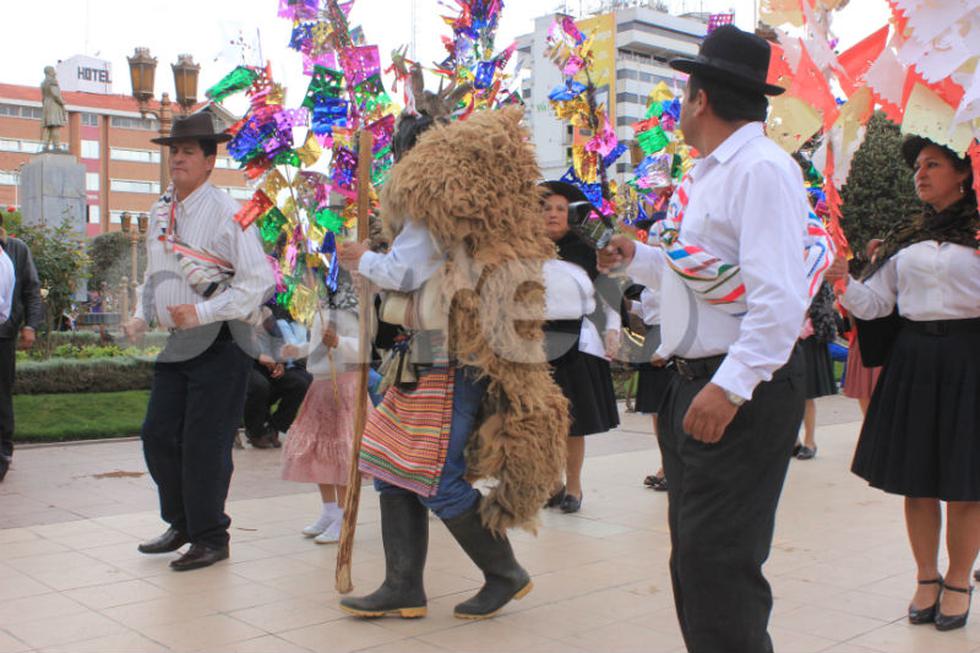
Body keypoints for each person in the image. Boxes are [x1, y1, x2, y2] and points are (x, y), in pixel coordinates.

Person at [599, 26, 814, 652]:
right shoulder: (713, 175)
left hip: (737, 390)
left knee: (720, 567)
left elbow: (779, 301)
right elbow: (707, 276)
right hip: (693, 385)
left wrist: (731, 387)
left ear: (700, 99)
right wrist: (639, 256)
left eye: (682, 90)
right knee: (695, 564)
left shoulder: (762, 171)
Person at [335, 103, 569, 621]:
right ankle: (403, 585)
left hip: (446, 361)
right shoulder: (463, 203)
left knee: (437, 479)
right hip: (423, 359)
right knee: (391, 471)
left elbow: (403, 270)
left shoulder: (432, 202)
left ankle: (504, 572)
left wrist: (361, 259)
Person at [825, 135, 979, 632]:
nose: (921, 174)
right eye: (918, 166)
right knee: (918, 480)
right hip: (914, 360)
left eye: (933, 164)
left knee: (965, 483)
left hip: (970, 359)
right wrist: (845, 282)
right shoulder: (903, 238)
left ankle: (958, 579)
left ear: (963, 174)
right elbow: (877, 305)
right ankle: (925, 577)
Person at [123, 112, 274, 572]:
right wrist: (139, 312)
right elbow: (153, 272)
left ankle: (211, 536)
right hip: (177, 342)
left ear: (210, 160)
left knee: (206, 443)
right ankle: (183, 522)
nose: (178, 158)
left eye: (189, 151)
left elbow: (259, 281)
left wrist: (204, 311)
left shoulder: (229, 212)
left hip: (223, 340)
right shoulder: (160, 209)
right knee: (158, 434)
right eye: (174, 150)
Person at [539, 181, 620, 514]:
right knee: (543, 423)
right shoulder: (520, 249)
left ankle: (573, 487)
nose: (553, 214)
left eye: (560, 208)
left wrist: (613, 329)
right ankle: (552, 484)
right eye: (545, 208)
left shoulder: (587, 251)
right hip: (534, 345)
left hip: (577, 343)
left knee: (573, 422)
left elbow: (609, 293)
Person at [279, 281, 360, 544]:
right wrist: (299, 351)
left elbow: (365, 348)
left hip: (344, 383)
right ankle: (329, 510)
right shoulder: (322, 307)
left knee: (340, 454)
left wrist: (339, 341)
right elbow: (317, 347)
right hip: (321, 384)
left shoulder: (354, 306)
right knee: (318, 451)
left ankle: (344, 515)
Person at [0, 214, 42, 483]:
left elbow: (31, 290)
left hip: (3, 334)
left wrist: (31, 325)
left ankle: (3, 452)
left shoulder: (16, 249)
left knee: (1, 395)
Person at [244, 305, 313, 449]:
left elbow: (277, 338)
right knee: (260, 386)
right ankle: (255, 431)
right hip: (245, 363)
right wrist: (258, 355)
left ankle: (274, 427)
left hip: (270, 363)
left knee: (300, 383)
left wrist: (280, 361)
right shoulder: (237, 310)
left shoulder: (265, 312)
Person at [630, 286, 673, 490]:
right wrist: (630, 306)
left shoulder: (672, 266)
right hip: (653, 337)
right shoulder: (646, 279)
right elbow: (651, 311)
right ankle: (666, 465)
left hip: (672, 336)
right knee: (657, 410)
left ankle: (674, 468)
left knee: (673, 408)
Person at [793, 281, 838, 460]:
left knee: (806, 393)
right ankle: (793, 441)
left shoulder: (817, 273)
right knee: (786, 393)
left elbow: (824, 308)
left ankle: (809, 441)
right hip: (785, 338)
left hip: (808, 338)